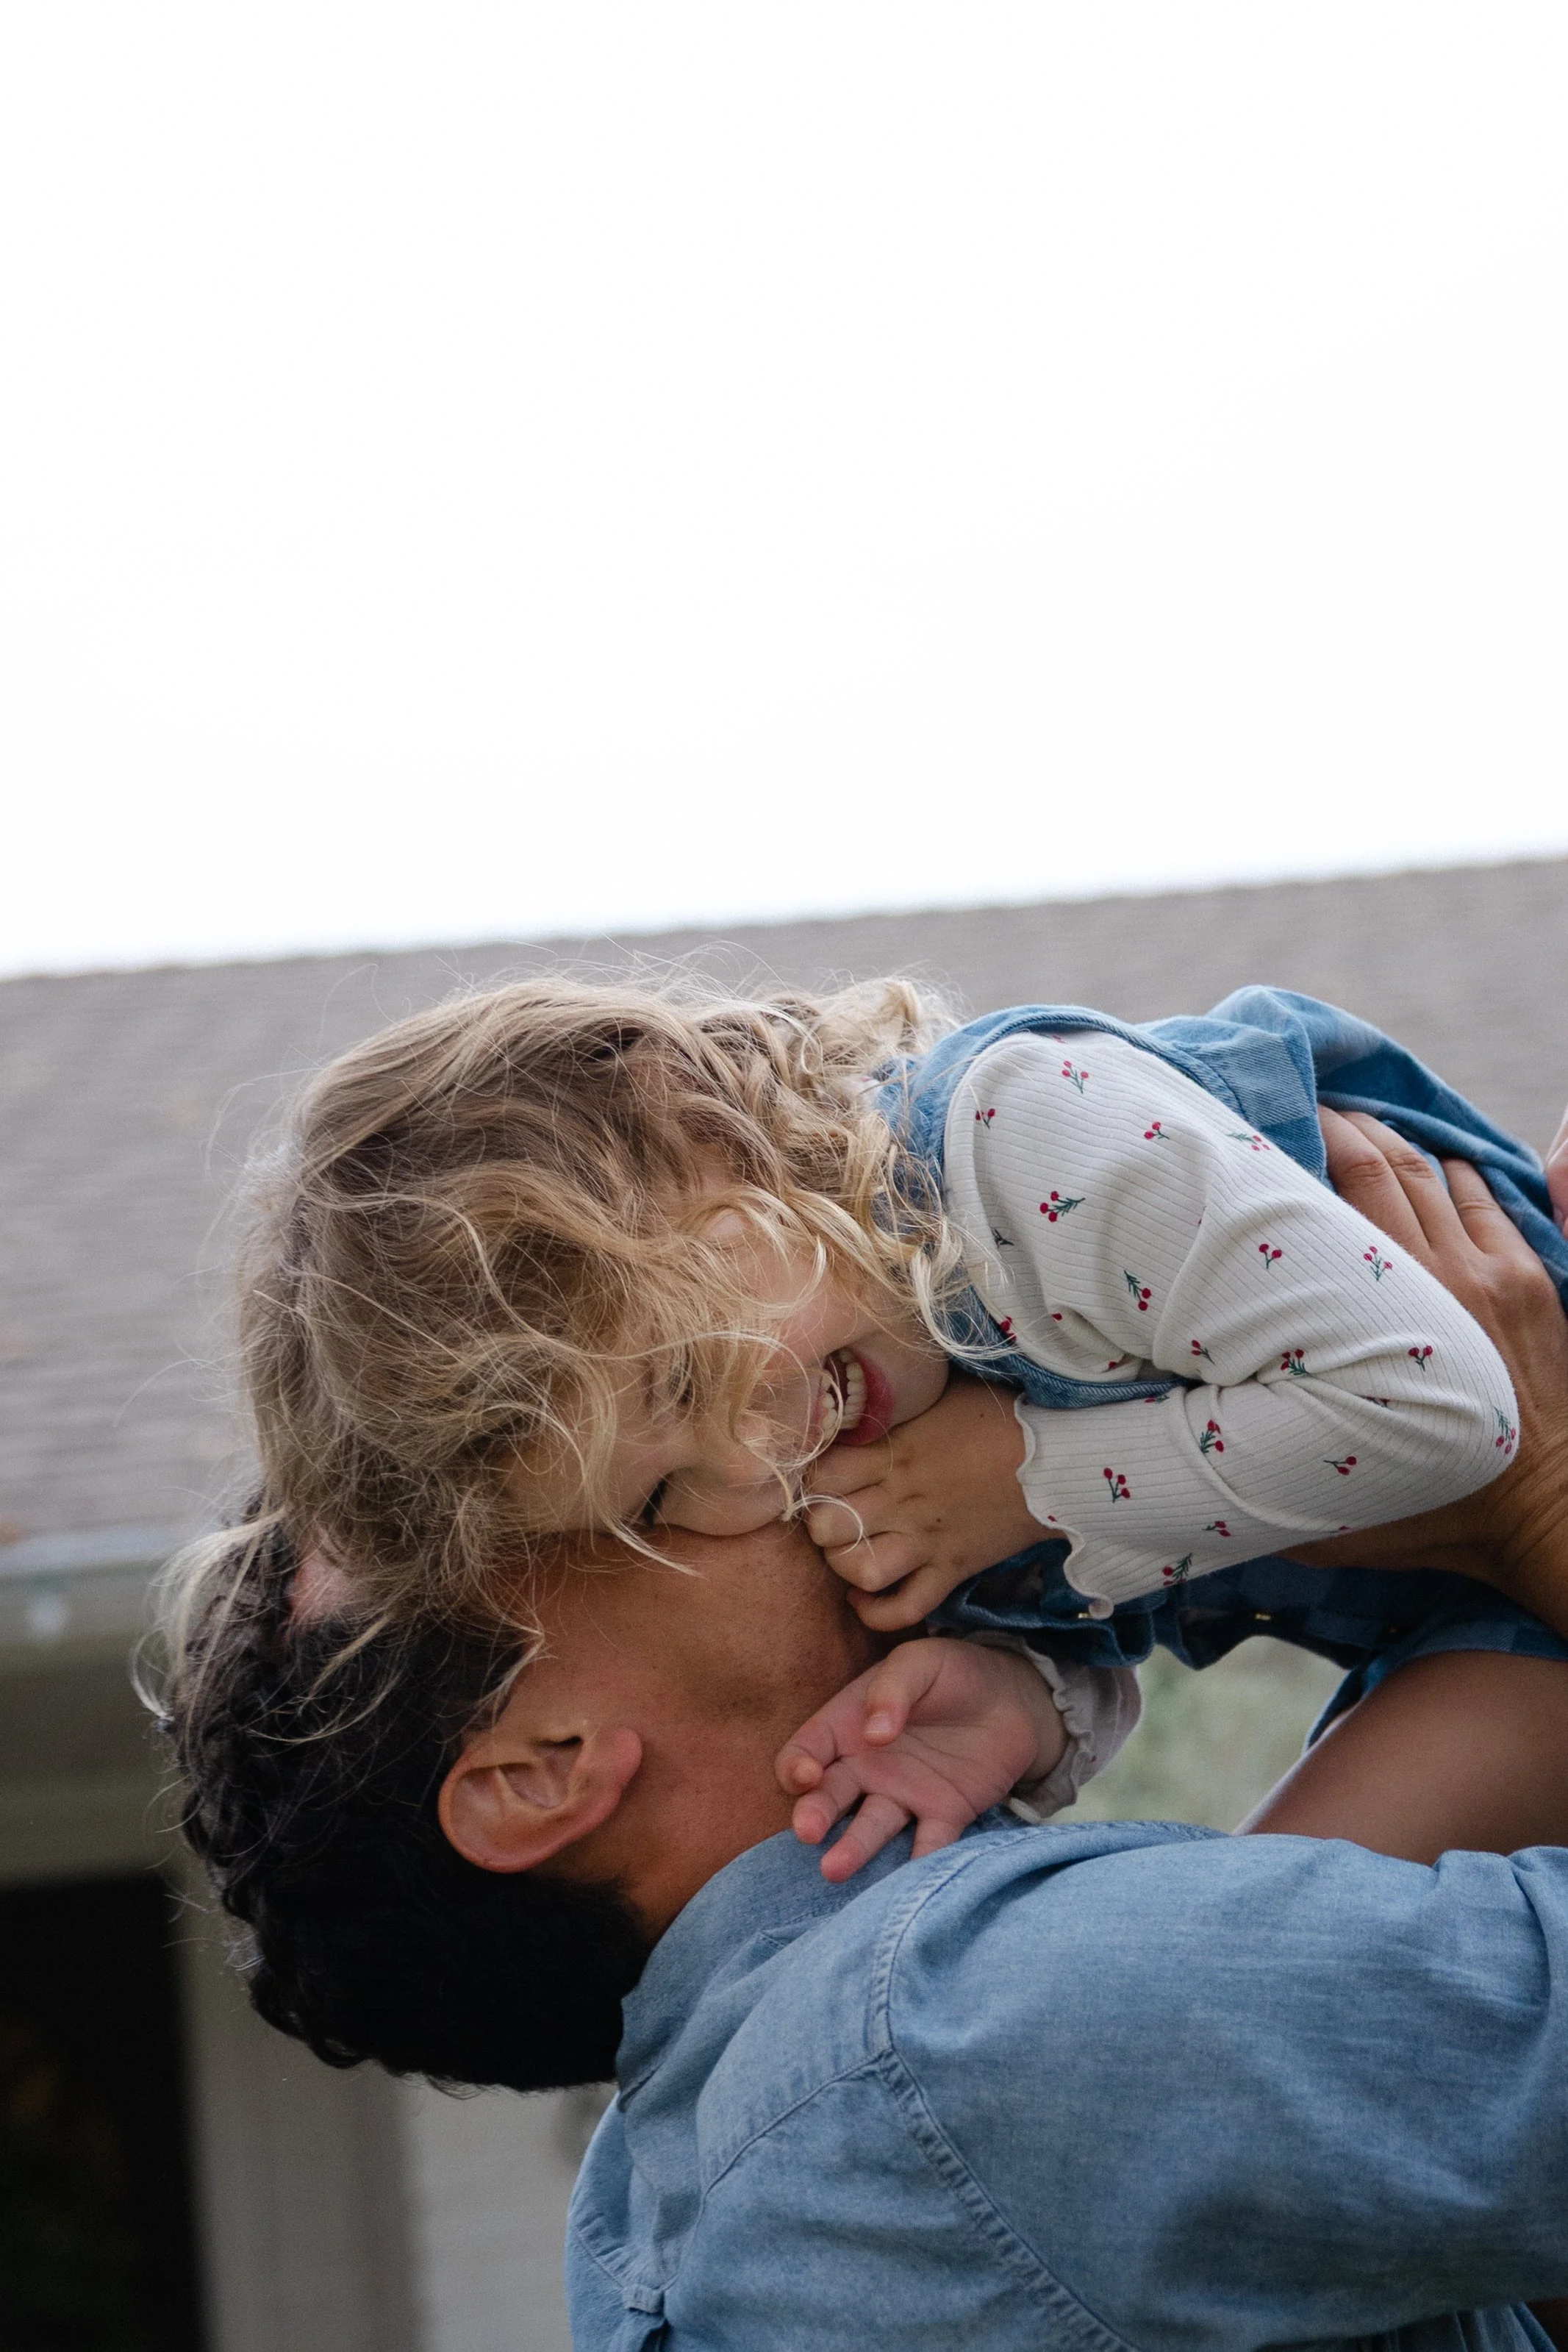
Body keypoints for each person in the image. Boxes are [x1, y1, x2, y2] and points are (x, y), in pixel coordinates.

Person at [160, 1118, 1568, 2349]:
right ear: (544, 1771)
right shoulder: (954, 2046)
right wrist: (1545, 1495)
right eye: (500, 1503)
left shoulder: (727, 2184)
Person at [224, 973, 1568, 1866]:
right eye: (654, 1498)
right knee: (1273, 1958)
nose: (754, 1457)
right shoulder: (856, 1408)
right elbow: (1142, 1593)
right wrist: (1032, 1697)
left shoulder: (1028, 1141)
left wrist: (1036, 1484)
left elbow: (1452, 1407)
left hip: (1511, 1454)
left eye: (687, 1372)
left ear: (701, 1127)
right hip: (1477, 1613)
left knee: (1291, 1965)